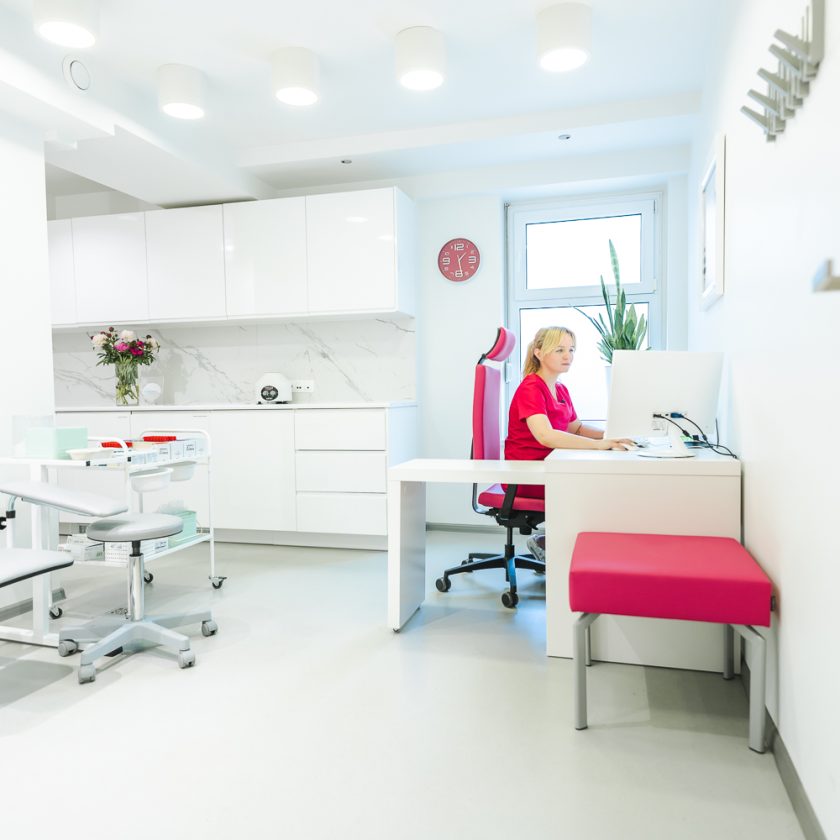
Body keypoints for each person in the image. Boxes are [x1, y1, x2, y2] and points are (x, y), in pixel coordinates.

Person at [504, 325, 634, 561]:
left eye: (571, 350)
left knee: (603, 484)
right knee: (596, 488)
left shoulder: (560, 389)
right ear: (538, 353)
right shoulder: (531, 388)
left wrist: (612, 435)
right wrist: (599, 446)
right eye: (559, 350)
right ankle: (553, 544)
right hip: (528, 474)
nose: (568, 356)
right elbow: (546, 436)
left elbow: (577, 428)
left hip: (552, 467)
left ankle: (563, 546)